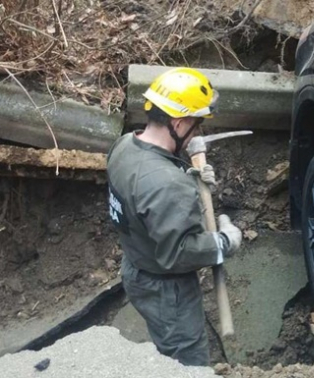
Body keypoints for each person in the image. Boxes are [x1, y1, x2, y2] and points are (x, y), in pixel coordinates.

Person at [106, 67, 242, 366]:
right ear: (178, 123)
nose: (200, 132)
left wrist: (189, 177)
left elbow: (144, 195)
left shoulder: (125, 146)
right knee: (186, 361)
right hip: (167, 289)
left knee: (169, 349)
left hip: (136, 266)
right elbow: (178, 253)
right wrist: (223, 243)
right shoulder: (167, 185)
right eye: (198, 124)